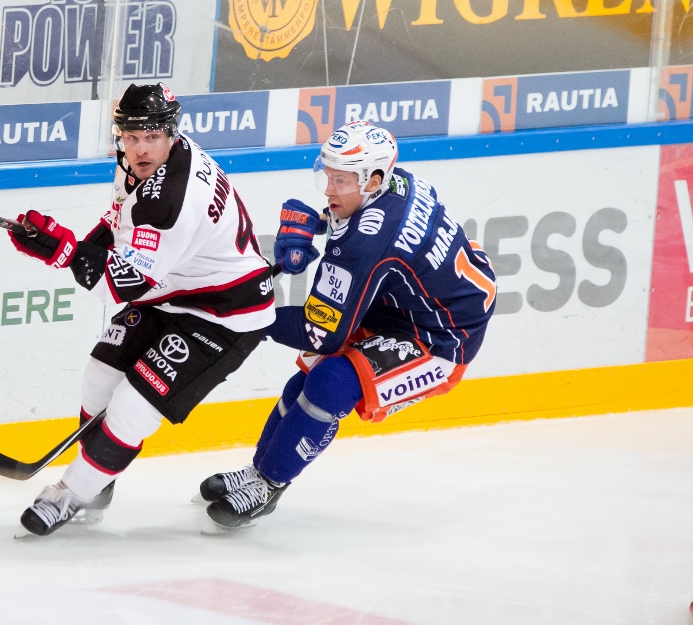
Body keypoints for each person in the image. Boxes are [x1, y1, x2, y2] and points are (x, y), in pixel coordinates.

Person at [199, 121, 497, 529]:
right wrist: (320, 223)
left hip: (442, 336)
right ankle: (260, 469)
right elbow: (370, 232)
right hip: (408, 304)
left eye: (340, 181)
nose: (327, 190)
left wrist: (249, 313)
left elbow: (322, 333)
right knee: (309, 376)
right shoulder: (398, 180)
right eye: (329, 176)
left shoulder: (364, 247)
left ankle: (268, 483)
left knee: (330, 382)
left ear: (373, 179)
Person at [8, 83, 275, 536]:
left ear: (172, 133)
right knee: (99, 375)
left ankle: (75, 492)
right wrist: (65, 243)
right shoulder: (142, 165)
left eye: (151, 136)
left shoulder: (170, 199)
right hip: (174, 291)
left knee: (133, 405)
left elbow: (121, 286)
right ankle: (100, 479)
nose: (140, 148)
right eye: (131, 137)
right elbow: (119, 225)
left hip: (224, 315)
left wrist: (64, 252)